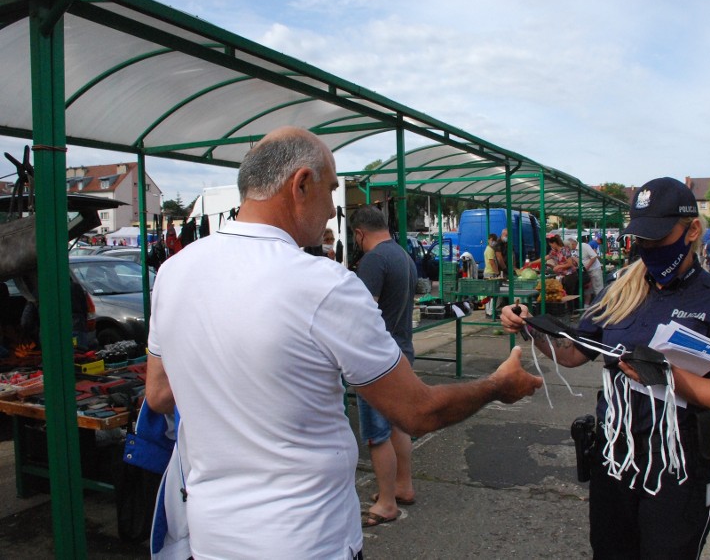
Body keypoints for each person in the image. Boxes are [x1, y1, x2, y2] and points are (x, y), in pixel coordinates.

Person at [144, 127, 542, 559]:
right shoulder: (323, 284)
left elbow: (160, 395)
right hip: (306, 540)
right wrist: (496, 386)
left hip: (211, 538)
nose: (334, 208)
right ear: (301, 184)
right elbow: (417, 411)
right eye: (331, 189)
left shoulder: (174, 272)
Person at [501, 176, 710, 559]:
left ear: (692, 231)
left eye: (658, 239)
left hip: (677, 467)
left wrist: (668, 374)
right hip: (614, 459)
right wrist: (531, 328)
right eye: (641, 239)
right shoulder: (620, 289)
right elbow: (574, 354)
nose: (648, 249)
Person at [349, 205, 418, 527]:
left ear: (359, 233)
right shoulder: (403, 256)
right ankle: (402, 486)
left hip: (377, 360)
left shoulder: (375, 260)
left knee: (376, 434)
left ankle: (387, 502)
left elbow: (363, 312)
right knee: (397, 425)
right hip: (403, 349)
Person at [567, 237, 604, 304]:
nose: (568, 248)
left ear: (572, 244)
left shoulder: (583, 246)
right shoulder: (574, 251)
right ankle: (587, 305)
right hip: (586, 272)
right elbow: (581, 261)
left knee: (598, 288)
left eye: (568, 246)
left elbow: (594, 256)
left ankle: (601, 304)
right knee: (587, 290)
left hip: (594, 270)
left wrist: (586, 267)